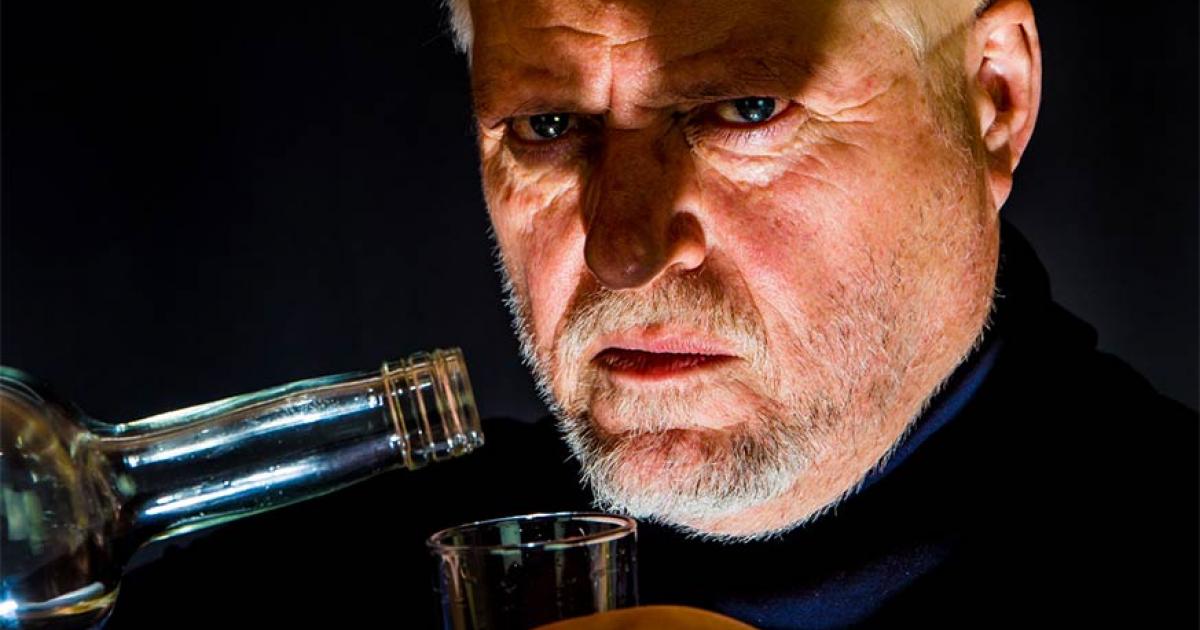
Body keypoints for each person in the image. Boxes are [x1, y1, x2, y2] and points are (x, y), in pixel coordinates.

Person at [105, 0, 1196, 627]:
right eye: (543, 128)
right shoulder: (277, 607)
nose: (623, 251)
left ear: (991, 99)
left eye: (745, 109)